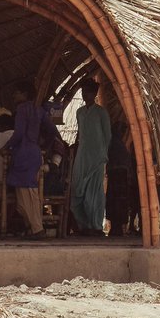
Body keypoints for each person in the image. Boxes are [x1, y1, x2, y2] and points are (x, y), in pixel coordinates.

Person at [3, 81, 59, 239]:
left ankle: (37, 229)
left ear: (25, 94)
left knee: (28, 194)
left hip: (23, 154)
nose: (14, 95)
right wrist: (44, 146)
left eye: (17, 92)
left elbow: (19, 133)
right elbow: (52, 131)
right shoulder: (39, 111)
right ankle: (33, 227)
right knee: (24, 197)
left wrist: (6, 147)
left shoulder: (21, 109)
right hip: (34, 153)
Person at [70, 79, 111, 235]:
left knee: (94, 193)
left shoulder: (101, 112)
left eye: (87, 92)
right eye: (83, 92)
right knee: (77, 189)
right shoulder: (79, 112)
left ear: (94, 94)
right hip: (82, 155)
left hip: (97, 156)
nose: (84, 94)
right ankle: (83, 225)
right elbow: (80, 133)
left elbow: (107, 135)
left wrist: (103, 153)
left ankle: (95, 226)